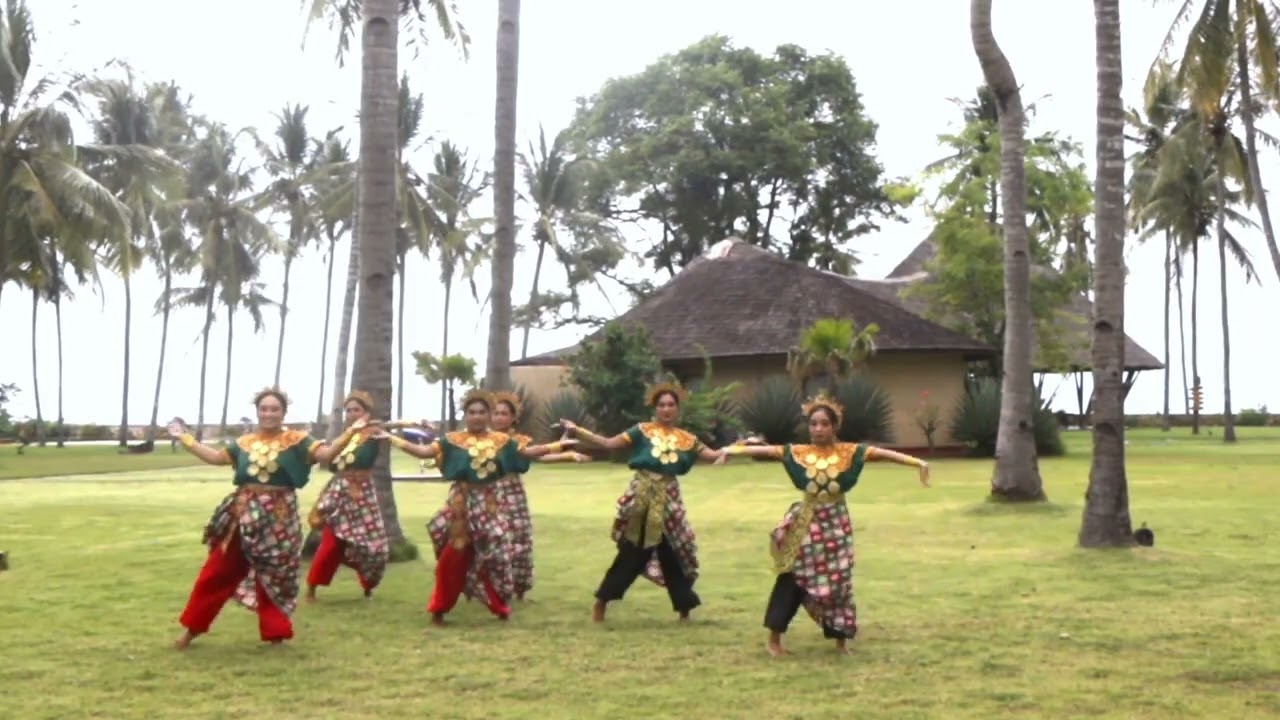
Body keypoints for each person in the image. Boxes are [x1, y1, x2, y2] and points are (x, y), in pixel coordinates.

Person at [724, 393, 931, 656]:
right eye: (813, 424)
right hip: (806, 524)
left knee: (838, 579)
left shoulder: (850, 452)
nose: (818, 429)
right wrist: (728, 450)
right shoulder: (798, 453)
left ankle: (840, 640)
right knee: (792, 578)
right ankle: (774, 640)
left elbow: (884, 454)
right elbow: (764, 449)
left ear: (834, 427)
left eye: (824, 424)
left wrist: (918, 463)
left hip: (836, 524)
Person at [167, 387, 364, 649]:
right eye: (264, 409)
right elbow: (216, 458)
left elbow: (327, 456)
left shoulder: (298, 440)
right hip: (243, 513)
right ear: (257, 411)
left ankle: (276, 633)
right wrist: (185, 439)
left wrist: (351, 432)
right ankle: (191, 630)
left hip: (280, 516)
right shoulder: (244, 443)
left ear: (283, 412)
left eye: (275, 409)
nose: (269, 413)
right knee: (218, 569)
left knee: (276, 573)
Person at [377, 389, 577, 626]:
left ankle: (498, 603)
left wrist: (558, 446)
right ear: (465, 415)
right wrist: (392, 439)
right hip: (461, 506)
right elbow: (424, 451)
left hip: (489, 506)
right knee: (453, 558)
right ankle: (439, 609)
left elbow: (528, 453)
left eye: (482, 412)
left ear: (489, 415)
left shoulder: (501, 441)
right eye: (472, 412)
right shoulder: (452, 440)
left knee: (498, 554)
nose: (477, 416)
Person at [559, 381, 727, 624]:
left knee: (675, 552)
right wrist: (578, 431)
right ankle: (602, 601)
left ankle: (684, 608)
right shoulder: (642, 430)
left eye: (671, 405)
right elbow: (608, 443)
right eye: (662, 405)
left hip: (669, 498)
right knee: (631, 553)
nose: (666, 409)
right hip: (642, 497)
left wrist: (737, 449)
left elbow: (713, 455)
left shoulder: (687, 439)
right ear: (655, 408)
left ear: (677, 409)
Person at [489, 391, 590, 601]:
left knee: (520, 540)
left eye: (504, 413)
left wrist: (568, 455)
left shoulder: (518, 441)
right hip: (489, 494)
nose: (499, 417)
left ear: (513, 417)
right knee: (493, 541)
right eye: (496, 413)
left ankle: (518, 588)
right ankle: (492, 587)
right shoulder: (483, 441)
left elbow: (540, 457)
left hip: (513, 493)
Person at [304, 391, 390, 602]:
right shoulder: (342, 438)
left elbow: (393, 427)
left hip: (363, 495)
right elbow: (328, 459)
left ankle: (368, 585)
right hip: (340, 492)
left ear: (366, 413)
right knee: (331, 542)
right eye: (349, 410)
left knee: (373, 545)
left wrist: (417, 424)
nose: (352, 414)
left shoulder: (374, 433)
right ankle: (312, 587)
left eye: (357, 410)